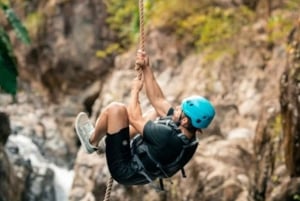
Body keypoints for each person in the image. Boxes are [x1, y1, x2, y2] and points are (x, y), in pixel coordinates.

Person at [75, 50, 215, 187]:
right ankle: (111, 142)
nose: (177, 108)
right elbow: (158, 100)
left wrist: (135, 90)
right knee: (156, 112)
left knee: (116, 109)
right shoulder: (187, 133)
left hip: (125, 170)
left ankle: (91, 141)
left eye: (181, 109)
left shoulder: (166, 137)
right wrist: (146, 68)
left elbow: (134, 118)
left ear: (184, 121)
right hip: (142, 167)